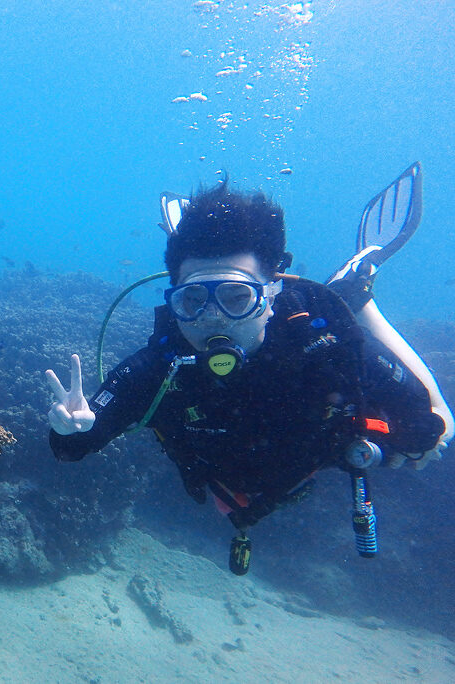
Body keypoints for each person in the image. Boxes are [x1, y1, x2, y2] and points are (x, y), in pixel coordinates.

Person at [45, 178, 450, 574]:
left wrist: (407, 437)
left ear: (271, 293)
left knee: (445, 426)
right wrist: (69, 428)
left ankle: (354, 285)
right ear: (175, 300)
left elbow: (427, 422)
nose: (213, 317)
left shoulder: (322, 342)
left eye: (237, 297)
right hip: (251, 479)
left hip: (307, 433)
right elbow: (71, 447)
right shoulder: (162, 363)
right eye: (193, 299)